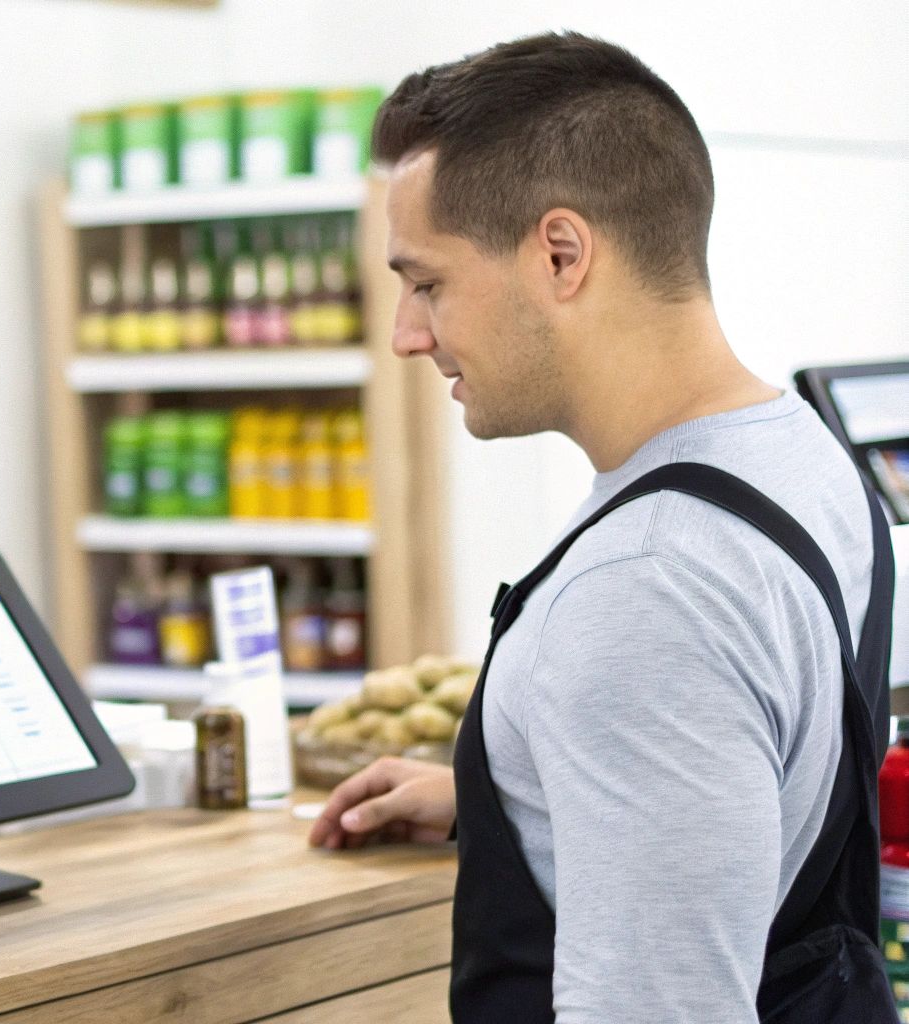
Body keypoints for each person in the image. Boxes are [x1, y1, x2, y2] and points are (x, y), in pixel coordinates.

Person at [306, 32, 895, 1023]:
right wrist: (532, 793)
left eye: (426, 282)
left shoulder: (643, 586)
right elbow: (773, 752)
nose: (407, 333)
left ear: (559, 254)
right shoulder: (800, 455)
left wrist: (620, 743)